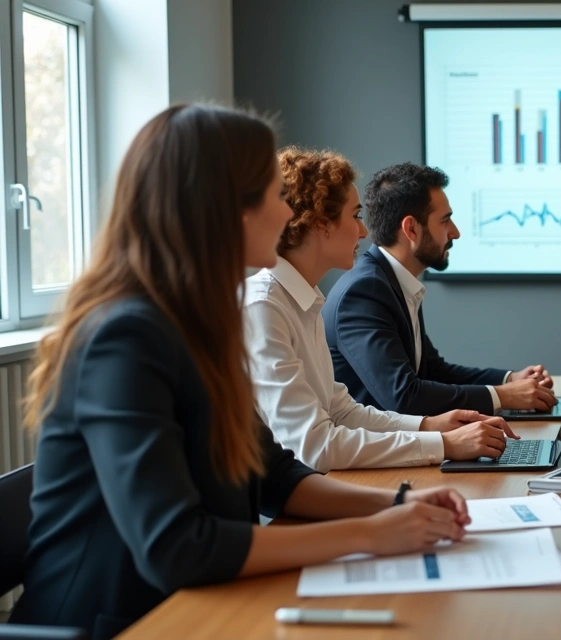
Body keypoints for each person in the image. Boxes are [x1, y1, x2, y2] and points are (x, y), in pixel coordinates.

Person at [11, 106, 472, 639]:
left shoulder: (201, 322)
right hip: (121, 624)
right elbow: (177, 546)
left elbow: (271, 474)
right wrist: (369, 534)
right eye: (276, 195)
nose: (288, 214)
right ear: (225, 209)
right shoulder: (125, 337)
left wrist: (399, 502)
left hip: (193, 605)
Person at [244, 148, 518, 472]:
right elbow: (315, 446)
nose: (363, 232)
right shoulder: (264, 307)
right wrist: (444, 444)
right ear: (321, 224)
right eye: (355, 216)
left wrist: (430, 426)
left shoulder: (304, 300)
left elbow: (341, 411)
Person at [322, 162, 557, 416]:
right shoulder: (364, 292)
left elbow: (433, 371)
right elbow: (403, 397)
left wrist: (510, 380)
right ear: (411, 229)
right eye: (445, 221)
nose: (455, 233)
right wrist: (504, 396)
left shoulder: (392, 282)